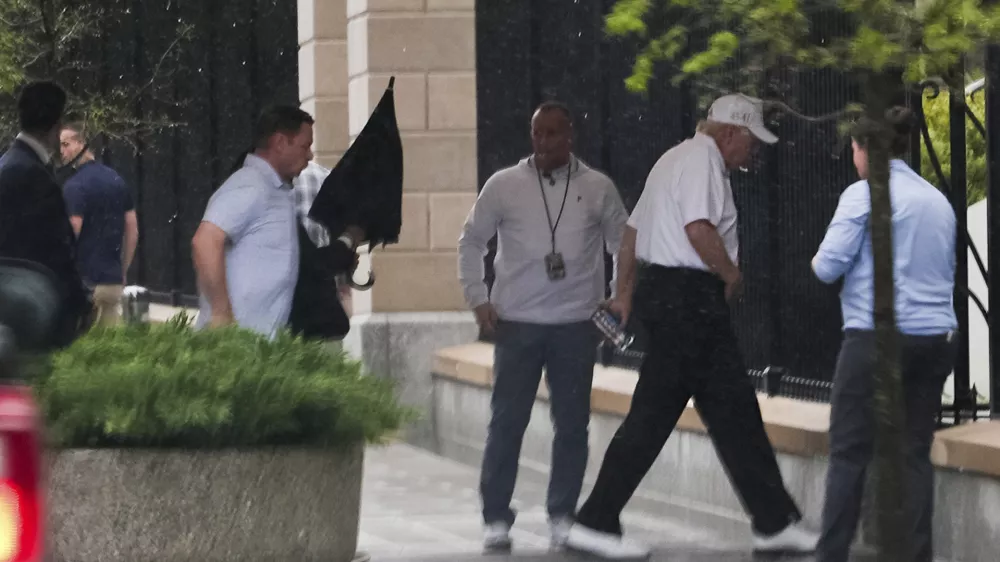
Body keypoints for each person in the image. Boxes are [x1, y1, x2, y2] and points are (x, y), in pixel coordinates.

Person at [565, 94, 818, 559]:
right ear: (729, 133)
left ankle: (774, 520)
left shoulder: (672, 158)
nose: (754, 151)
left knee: (732, 413)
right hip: (690, 299)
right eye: (750, 140)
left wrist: (623, 295)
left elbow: (631, 235)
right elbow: (698, 228)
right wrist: (731, 274)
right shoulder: (703, 160)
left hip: (668, 296)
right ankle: (595, 520)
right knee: (662, 416)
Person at [458, 100, 629, 552]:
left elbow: (623, 243)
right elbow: (471, 240)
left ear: (570, 135)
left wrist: (618, 296)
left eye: (554, 133)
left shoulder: (597, 187)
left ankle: (562, 514)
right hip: (516, 323)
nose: (545, 142)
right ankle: (496, 516)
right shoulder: (504, 185)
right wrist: (478, 299)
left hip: (576, 325)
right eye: (538, 133)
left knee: (571, 425)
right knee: (506, 422)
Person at [812, 108, 957, 562]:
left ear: (864, 149)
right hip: (933, 341)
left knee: (849, 451)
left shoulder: (863, 195)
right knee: (914, 452)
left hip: (875, 340)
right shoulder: (938, 201)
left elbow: (826, 266)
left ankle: (832, 554)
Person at [191, 105, 316, 339]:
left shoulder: (272, 188)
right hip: (235, 345)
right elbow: (205, 241)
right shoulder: (250, 185)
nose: (309, 155)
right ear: (280, 143)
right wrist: (221, 314)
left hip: (258, 345)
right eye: (305, 146)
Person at [0, 81, 90, 347]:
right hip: (32, 308)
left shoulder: (7, 164)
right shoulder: (33, 175)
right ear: (56, 124)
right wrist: (79, 301)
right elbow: (53, 248)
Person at [59, 122, 139, 326]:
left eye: (66, 144)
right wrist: (122, 271)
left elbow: (71, 233)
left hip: (84, 284)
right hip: (112, 283)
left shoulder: (74, 187)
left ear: (81, 143)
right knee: (110, 351)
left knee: (80, 351)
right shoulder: (117, 180)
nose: (62, 151)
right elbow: (132, 230)